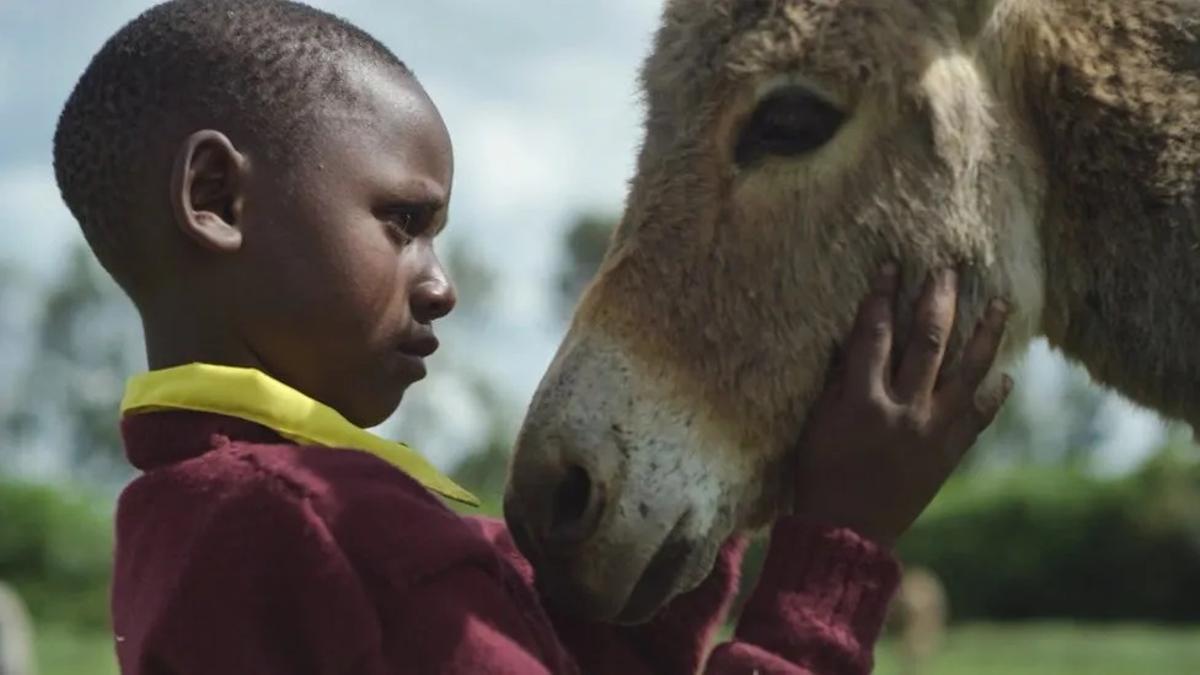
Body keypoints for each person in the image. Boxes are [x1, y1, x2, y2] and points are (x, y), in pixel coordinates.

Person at [52, 1, 1012, 673]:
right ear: (216, 199)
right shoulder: (337, 532)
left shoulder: (190, 515)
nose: (442, 283)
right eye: (402, 223)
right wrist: (838, 550)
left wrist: (726, 454)